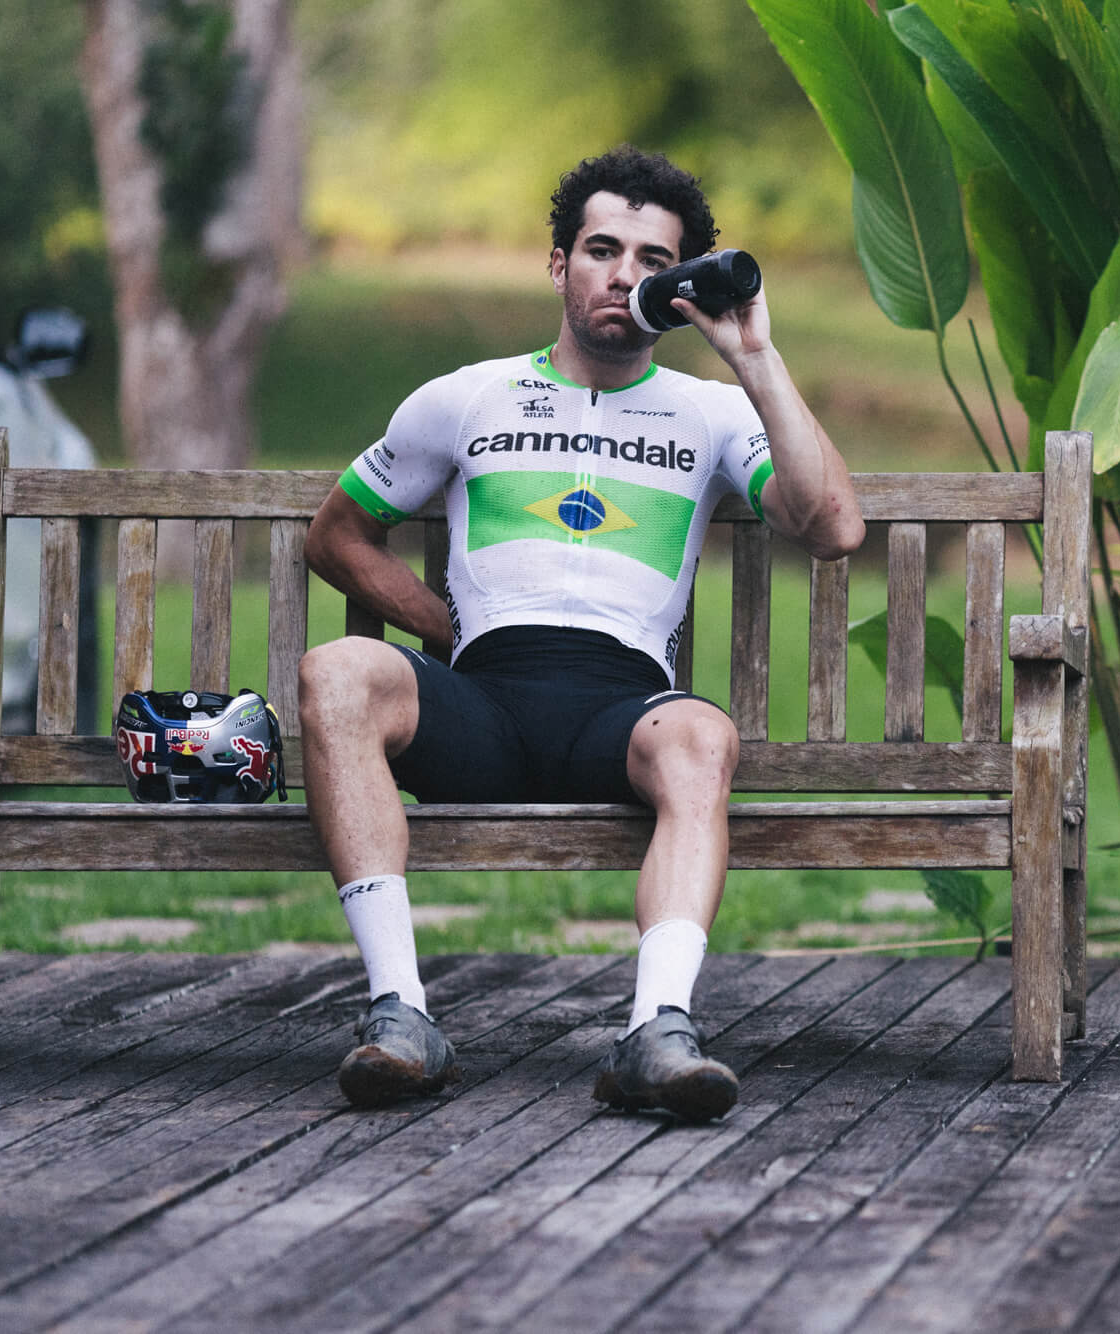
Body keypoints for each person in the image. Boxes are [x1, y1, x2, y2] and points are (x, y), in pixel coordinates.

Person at [298, 145, 864, 1120]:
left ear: (679, 284)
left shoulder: (714, 410)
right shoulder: (464, 396)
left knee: (700, 733)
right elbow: (337, 533)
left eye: (653, 260)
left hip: (618, 711)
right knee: (336, 670)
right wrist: (443, 625)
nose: (623, 275)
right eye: (602, 249)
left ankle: (658, 1029)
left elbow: (832, 528)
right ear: (558, 263)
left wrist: (756, 358)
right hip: (481, 706)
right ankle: (400, 1014)